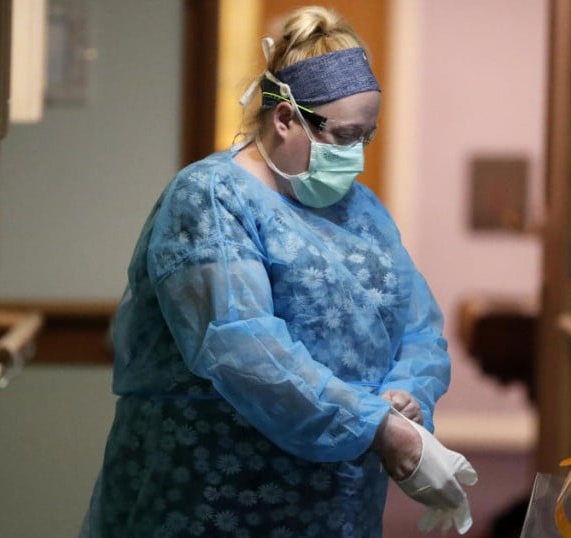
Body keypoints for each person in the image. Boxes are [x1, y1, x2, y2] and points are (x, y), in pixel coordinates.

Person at [82, 7, 473, 537]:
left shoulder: (362, 211)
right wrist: (374, 425)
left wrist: (406, 395)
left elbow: (416, 324)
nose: (354, 156)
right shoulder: (212, 200)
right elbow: (246, 352)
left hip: (339, 502)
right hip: (215, 496)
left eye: (367, 136)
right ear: (285, 116)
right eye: (342, 135)